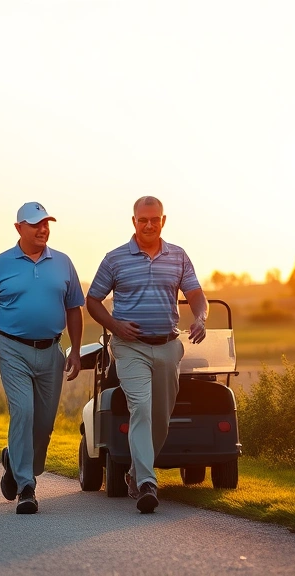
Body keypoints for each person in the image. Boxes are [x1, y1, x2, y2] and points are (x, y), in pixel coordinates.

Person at [85, 195, 208, 514]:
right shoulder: (115, 259)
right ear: (134, 221)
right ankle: (147, 484)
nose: (149, 224)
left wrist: (200, 318)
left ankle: (133, 473)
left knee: (160, 417)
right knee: (141, 407)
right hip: (130, 348)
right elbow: (93, 300)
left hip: (168, 345)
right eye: (143, 220)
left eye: (155, 219)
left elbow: (195, 294)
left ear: (163, 220)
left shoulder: (178, 256)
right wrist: (115, 326)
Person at [0, 201, 84, 514]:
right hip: (12, 348)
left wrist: (75, 350)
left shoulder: (63, 263)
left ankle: (17, 462)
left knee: (44, 424)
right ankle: (27, 487)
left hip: (52, 350)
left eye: (46, 223)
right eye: (35, 224)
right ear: (19, 228)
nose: (43, 229)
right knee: (23, 412)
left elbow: (74, 308)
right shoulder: (0, 264)